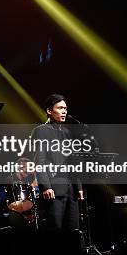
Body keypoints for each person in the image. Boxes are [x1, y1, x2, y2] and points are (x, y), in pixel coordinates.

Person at [32, 94, 83, 230]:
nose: (64, 111)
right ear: (49, 111)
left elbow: (73, 162)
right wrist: (46, 186)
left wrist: (79, 187)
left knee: (73, 229)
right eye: (60, 108)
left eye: (65, 108)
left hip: (71, 189)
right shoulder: (41, 131)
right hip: (54, 188)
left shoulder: (67, 132)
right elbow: (39, 161)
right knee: (56, 230)